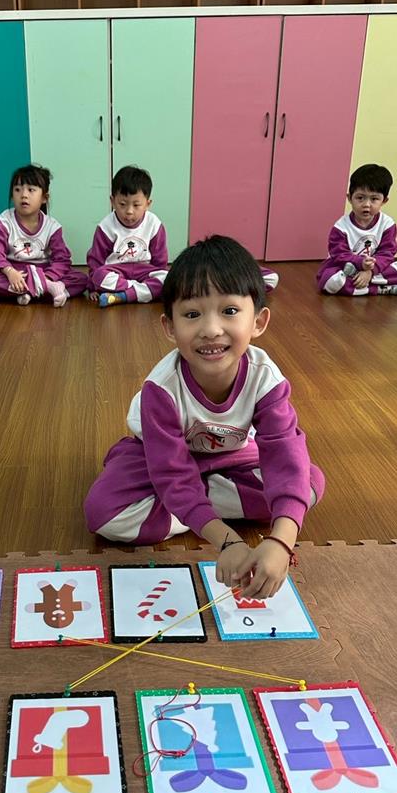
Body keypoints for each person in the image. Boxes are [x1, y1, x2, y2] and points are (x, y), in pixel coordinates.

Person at [84, 235, 324, 600]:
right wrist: (226, 540)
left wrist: (281, 541)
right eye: (192, 314)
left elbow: (284, 453)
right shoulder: (161, 389)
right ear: (169, 327)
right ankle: (197, 503)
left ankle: (193, 502)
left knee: (307, 482)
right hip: (158, 456)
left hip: (231, 454)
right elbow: (170, 471)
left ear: (258, 321)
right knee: (103, 513)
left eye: (229, 311)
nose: (211, 330)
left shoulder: (266, 378)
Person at [0, 164, 87, 307]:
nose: (23, 195)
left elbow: (62, 259)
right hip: (16, 272)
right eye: (17, 190)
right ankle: (46, 289)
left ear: (44, 198)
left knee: (81, 279)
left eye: (31, 190)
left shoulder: (52, 227)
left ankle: (28, 291)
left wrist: (47, 277)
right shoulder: (4, 221)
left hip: (44, 271)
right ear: (12, 195)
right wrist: (9, 272)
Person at [317, 164, 397, 297]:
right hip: (344, 268)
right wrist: (360, 263)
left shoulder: (387, 224)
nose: (366, 204)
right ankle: (379, 289)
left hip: (375, 269)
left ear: (384, 200)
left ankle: (363, 284)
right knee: (330, 281)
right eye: (360, 198)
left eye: (374, 199)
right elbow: (339, 255)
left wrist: (370, 272)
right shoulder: (341, 227)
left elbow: (387, 254)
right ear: (350, 198)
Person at [86, 165, 169, 306]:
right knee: (99, 276)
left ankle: (123, 296)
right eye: (122, 204)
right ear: (112, 201)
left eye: (136, 205)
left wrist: (158, 276)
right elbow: (96, 261)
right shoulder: (106, 227)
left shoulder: (154, 224)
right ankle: (141, 292)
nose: (129, 211)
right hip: (116, 271)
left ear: (147, 204)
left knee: (168, 279)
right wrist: (92, 287)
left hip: (144, 271)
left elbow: (160, 260)